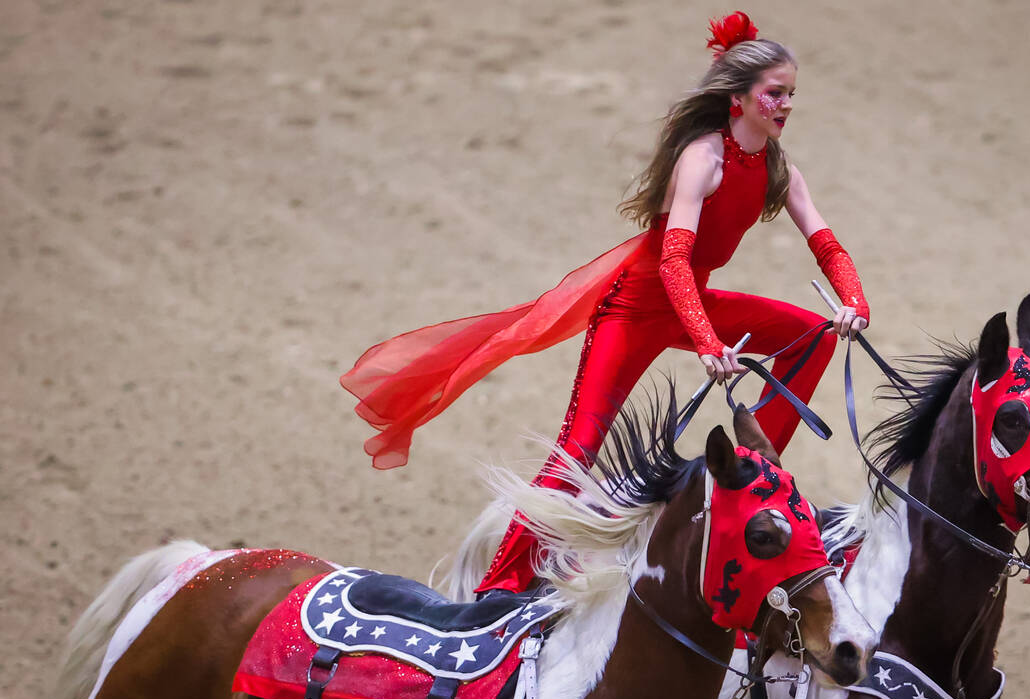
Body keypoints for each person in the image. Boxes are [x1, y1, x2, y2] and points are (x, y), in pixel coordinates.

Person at [341, 11, 871, 594]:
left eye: (791, 94)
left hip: (693, 300)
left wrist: (853, 302)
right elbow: (672, 260)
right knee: (579, 447)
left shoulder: (776, 165)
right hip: (636, 308)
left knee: (814, 334)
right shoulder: (704, 158)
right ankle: (502, 585)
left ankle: (750, 474)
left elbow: (823, 239)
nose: (786, 105)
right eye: (775, 94)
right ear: (739, 97)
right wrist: (706, 341)